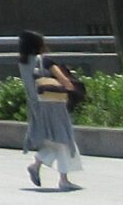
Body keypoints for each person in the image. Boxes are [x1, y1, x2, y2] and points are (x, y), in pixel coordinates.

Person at [16, 31, 82, 190]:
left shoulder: (23, 63)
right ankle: (63, 180)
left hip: (36, 106)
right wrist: (72, 87)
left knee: (51, 141)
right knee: (63, 141)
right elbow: (64, 81)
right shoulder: (45, 61)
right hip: (53, 105)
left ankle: (36, 165)